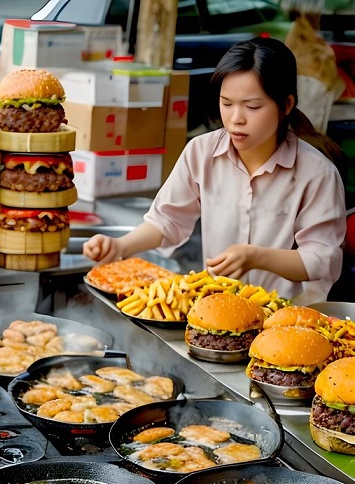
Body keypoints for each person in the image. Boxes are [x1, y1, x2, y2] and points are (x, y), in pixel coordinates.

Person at [83, 37, 346, 303]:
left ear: (286, 105)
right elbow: (167, 221)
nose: (236, 118)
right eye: (227, 103)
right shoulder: (201, 152)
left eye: (252, 106)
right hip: (216, 310)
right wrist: (120, 246)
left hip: (286, 320)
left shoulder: (317, 173)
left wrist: (257, 257)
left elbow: (322, 260)